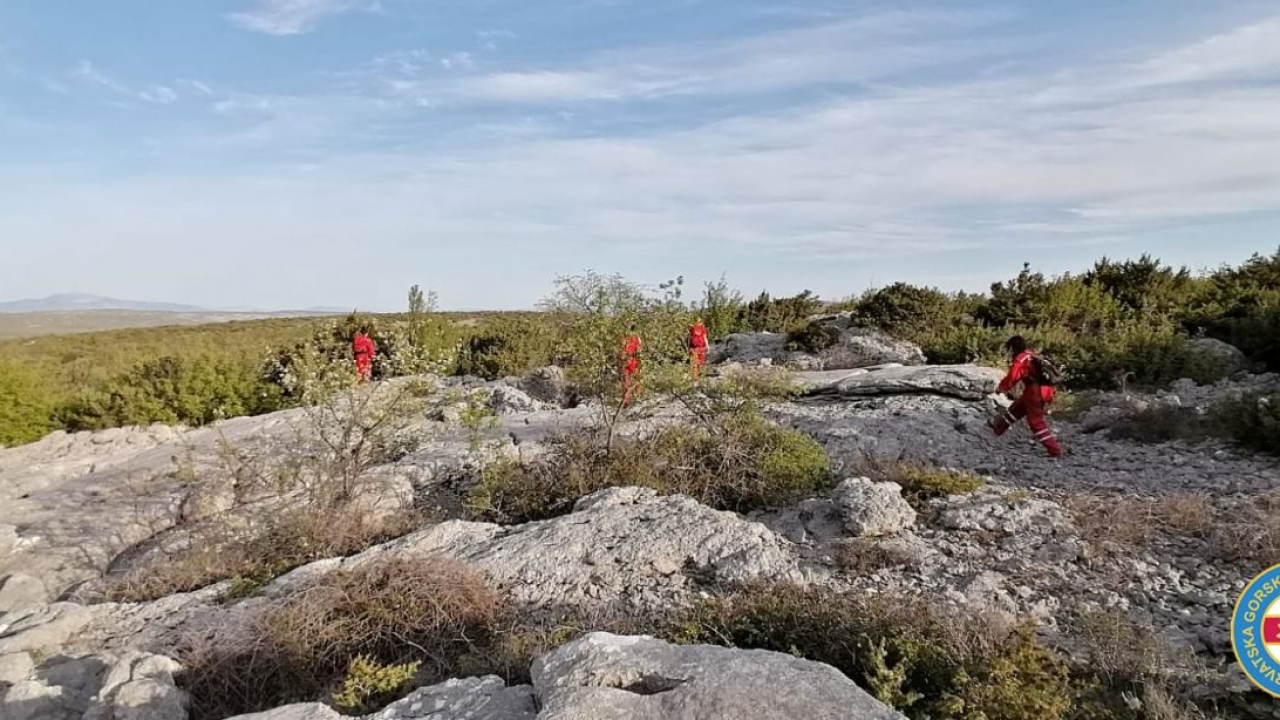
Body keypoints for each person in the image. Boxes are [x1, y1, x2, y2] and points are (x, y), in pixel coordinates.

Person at [991, 335, 1063, 457]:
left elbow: (1013, 377)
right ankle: (998, 428)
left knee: (1035, 422)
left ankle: (1054, 450)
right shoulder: (1032, 355)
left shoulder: (1022, 358)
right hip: (1045, 390)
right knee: (1017, 408)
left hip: (1035, 391)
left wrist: (1001, 388)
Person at [621, 328, 642, 405]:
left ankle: (633, 398)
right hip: (630, 361)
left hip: (632, 361)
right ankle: (627, 400)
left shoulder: (634, 338)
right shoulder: (626, 338)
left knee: (633, 380)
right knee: (627, 381)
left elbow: (639, 350)